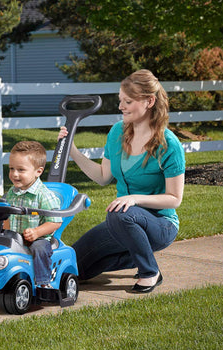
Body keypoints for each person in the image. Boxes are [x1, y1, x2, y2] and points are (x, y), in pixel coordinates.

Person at [58, 69, 185, 293]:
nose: (120, 106)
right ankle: (136, 256)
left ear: (149, 101)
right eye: (120, 101)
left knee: (120, 212)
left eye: (127, 101)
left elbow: (174, 199)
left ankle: (149, 272)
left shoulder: (168, 145)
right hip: (123, 223)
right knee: (73, 269)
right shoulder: (117, 133)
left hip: (160, 224)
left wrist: (135, 199)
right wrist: (73, 151)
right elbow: (102, 177)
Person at [4, 141, 62, 288]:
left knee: (39, 248)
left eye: (21, 170)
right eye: (11, 168)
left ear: (38, 171)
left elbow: (55, 222)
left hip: (38, 239)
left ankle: (43, 283)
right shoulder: (12, 193)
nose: (14, 174)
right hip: (15, 237)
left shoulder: (44, 195)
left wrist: (36, 232)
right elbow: (6, 216)